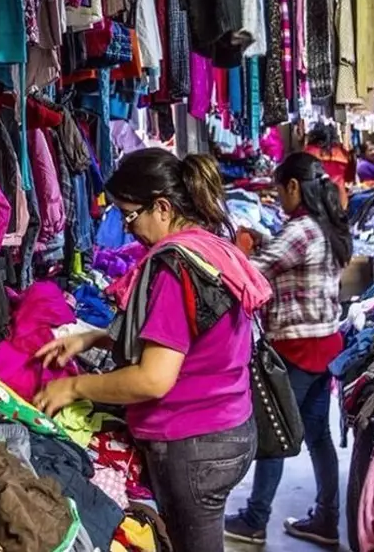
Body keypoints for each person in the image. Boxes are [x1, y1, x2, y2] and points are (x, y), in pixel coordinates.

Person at [32, 148, 272, 552]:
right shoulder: (211, 247)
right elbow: (188, 336)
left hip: (196, 442)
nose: (128, 230)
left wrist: (74, 389)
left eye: (129, 215)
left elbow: (153, 379)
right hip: (230, 427)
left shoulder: (172, 267)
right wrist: (94, 337)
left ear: (161, 207)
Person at [225, 152, 353, 548]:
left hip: (300, 348)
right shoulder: (324, 226)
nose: (278, 198)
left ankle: (255, 518)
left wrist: (237, 250)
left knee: (274, 432)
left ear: (294, 187)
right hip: (326, 342)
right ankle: (327, 519)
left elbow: (253, 271)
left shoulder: (301, 230)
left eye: (280, 190)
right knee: (316, 434)